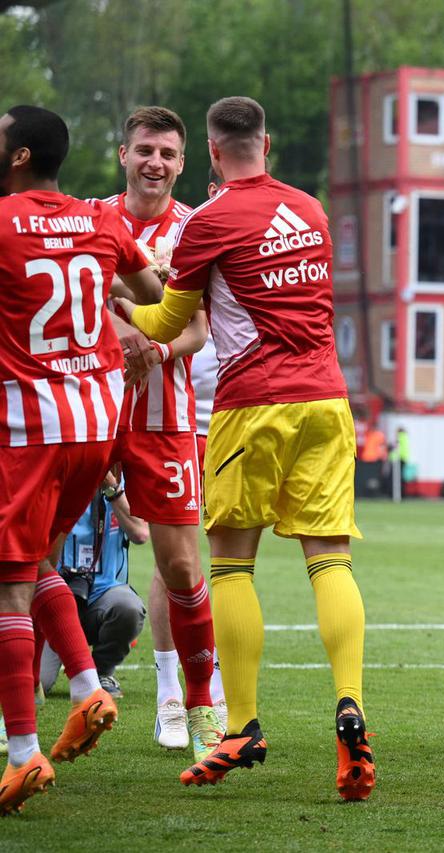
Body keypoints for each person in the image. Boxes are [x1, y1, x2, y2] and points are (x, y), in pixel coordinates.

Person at [118, 96, 373, 801]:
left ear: (209, 150)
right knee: (329, 557)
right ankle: (349, 703)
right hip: (326, 401)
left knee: (231, 565)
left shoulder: (208, 220)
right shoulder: (312, 210)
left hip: (251, 403)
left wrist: (112, 299)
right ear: (269, 143)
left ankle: (241, 724)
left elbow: (171, 316)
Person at [0, 104, 162, 815]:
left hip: (29, 425)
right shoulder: (100, 222)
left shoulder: (2, 224)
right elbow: (155, 292)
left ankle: (22, 753)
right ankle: (91, 687)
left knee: (9, 583)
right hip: (96, 424)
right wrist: (106, 290)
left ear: (18, 156)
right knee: (37, 561)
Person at [102, 106, 221, 761]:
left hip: (163, 414)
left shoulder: (193, 229)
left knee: (178, 562)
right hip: (84, 407)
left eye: (168, 154)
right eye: (145, 148)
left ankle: (187, 702)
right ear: (123, 152)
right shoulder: (90, 218)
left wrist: (159, 350)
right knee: (33, 553)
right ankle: (27, 719)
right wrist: (119, 336)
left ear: (181, 164)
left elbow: (200, 328)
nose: (155, 162)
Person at [42, 472, 150, 698]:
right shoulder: (52, 477)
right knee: (38, 681)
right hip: (51, 604)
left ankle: (102, 671)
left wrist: (111, 487)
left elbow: (140, 533)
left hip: (102, 596)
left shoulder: (123, 480)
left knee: (128, 608)